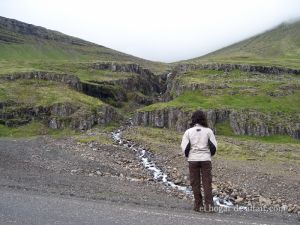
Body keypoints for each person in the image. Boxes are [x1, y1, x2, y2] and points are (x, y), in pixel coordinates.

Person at [181, 110, 217, 212]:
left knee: (195, 183)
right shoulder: (209, 131)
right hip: (205, 160)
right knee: (207, 183)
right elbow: (214, 147)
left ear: (193, 119)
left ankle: (198, 205)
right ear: (203, 119)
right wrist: (209, 155)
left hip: (193, 160)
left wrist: (189, 156)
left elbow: (185, 147)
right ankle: (209, 207)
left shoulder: (188, 132)